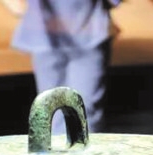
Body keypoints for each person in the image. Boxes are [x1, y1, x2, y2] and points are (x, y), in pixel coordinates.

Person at [12, 0, 121, 133]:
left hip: (84, 35)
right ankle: (63, 145)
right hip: (51, 37)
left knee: (78, 111)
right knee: (59, 110)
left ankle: (75, 145)